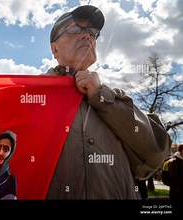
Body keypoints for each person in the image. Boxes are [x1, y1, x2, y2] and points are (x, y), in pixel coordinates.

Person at [44, 5, 170, 199]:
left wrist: (103, 98)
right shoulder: (29, 99)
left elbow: (156, 153)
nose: (87, 36)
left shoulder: (116, 98)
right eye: (75, 29)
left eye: (92, 32)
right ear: (54, 48)